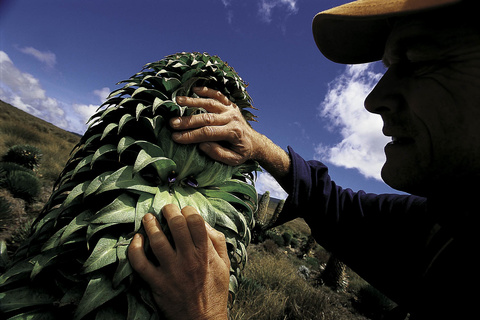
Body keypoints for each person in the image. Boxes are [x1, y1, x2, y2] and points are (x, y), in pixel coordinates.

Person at [128, 0, 480, 319]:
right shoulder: (440, 228)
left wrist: (204, 313)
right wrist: (257, 145)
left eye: (416, 60)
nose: (374, 99)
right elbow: (338, 209)